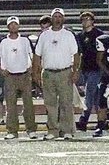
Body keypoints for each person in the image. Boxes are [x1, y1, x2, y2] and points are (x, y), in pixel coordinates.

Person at [33, 8, 79, 140]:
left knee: (66, 103)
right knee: (50, 103)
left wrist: (75, 71)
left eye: (60, 16)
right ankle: (53, 130)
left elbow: (76, 55)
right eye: (55, 16)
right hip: (48, 73)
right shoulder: (44, 35)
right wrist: (35, 72)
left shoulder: (68, 35)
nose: (57, 19)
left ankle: (66, 130)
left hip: (65, 72)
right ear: (51, 18)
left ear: (63, 19)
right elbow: (37, 55)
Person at [0, 16, 37, 140]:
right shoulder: (3, 42)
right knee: (10, 105)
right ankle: (12, 130)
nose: (13, 26)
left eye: (15, 24)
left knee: (28, 104)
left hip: (24, 75)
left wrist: (31, 69)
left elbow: (32, 55)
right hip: (10, 76)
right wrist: (1, 70)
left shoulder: (25, 40)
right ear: (8, 27)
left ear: (18, 26)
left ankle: (31, 129)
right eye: (11, 24)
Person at [75, 12, 104, 132]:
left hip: (96, 68)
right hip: (85, 68)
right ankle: (102, 121)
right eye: (83, 19)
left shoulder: (99, 34)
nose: (86, 21)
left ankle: (84, 120)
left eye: (88, 19)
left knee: (89, 94)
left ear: (93, 21)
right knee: (96, 96)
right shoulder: (80, 36)